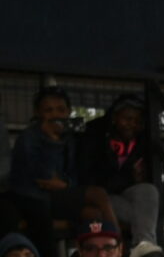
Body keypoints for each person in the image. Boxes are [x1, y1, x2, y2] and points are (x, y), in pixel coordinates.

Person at [8, 89, 114, 234]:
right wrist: (52, 141)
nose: (55, 115)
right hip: (34, 197)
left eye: (61, 110)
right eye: (48, 110)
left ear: (69, 112)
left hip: (59, 194)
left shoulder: (69, 137)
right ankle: (118, 241)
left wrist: (66, 184)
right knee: (98, 194)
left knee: (94, 214)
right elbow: (44, 178)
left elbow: (75, 173)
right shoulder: (29, 137)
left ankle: (105, 243)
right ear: (38, 113)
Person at [77, 97, 159, 244]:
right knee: (144, 216)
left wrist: (137, 179)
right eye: (127, 119)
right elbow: (88, 176)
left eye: (137, 121)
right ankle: (144, 245)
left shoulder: (142, 141)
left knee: (149, 190)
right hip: (101, 196)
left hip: (126, 195)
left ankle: (144, 247)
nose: (132, 124)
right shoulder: (94, 136)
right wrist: (125, 179)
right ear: (114, 117)